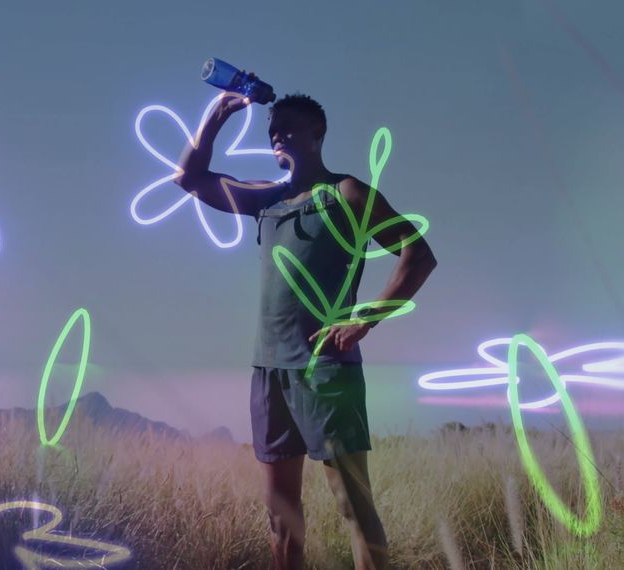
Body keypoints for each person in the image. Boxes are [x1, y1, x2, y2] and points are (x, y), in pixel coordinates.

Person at [175, 81, 437, 570]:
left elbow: (418, 254)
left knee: (353, 508)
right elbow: (189, 178)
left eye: (289, 131)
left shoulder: (347, 193)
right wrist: (218, 115)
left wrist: (366, 319)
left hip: (327, 371)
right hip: (269, 370)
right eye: (273, 132)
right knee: (282, 520)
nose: (278, 138)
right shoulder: (267, 200)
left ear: (317, 134)